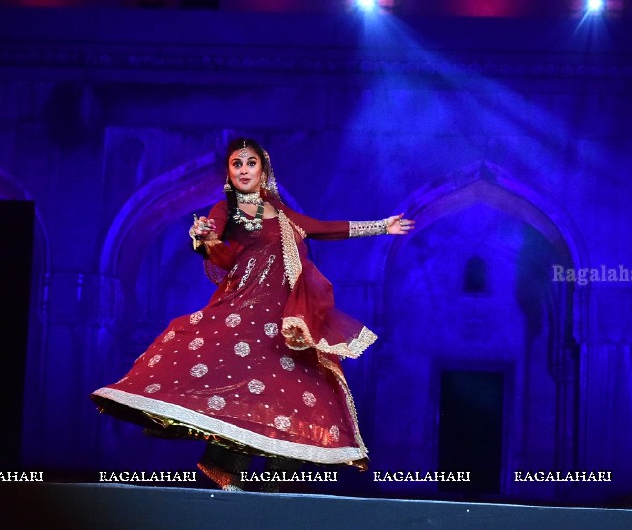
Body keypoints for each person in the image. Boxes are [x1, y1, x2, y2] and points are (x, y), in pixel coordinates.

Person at [91, 138, 414, 490]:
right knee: (240, 381)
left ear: (264, 170)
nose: (244, 170)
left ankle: (271, 489)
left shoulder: (286, 215)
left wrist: (383, 226)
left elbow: (326, 228)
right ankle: (227, 469)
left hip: (287, 321)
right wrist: (203, 235)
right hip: (245, 312)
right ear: (229, 173)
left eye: (251, 163)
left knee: (290, 389)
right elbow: (210, 232)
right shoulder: (225, 209)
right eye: (236, 164)